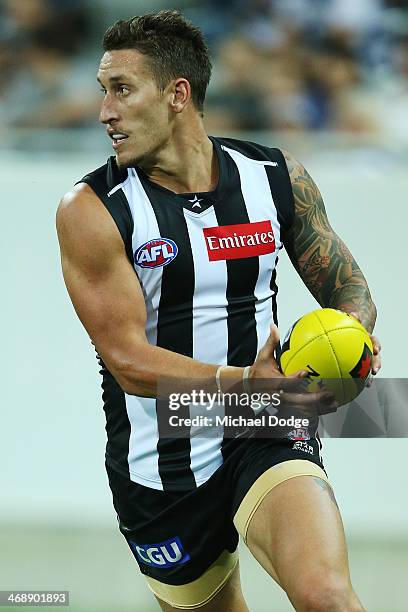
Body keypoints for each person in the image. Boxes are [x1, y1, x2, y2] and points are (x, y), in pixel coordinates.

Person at [56, 10, 381, 612]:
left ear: (178, 94)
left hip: (265, 426)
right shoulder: (91, 209)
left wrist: (350, 335)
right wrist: (247, 382)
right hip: (160, 465)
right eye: (103, 92)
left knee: (326, 596)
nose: (105, 112)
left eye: (122, 90)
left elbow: (351, 289)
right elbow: (127, 361)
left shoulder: (275, 177)